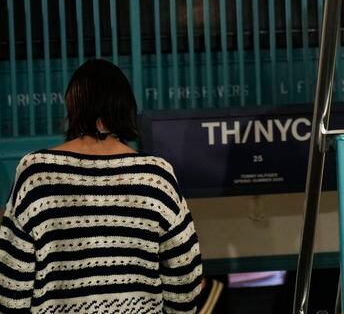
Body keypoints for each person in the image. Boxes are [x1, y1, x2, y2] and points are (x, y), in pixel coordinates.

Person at [0, 59, 203, 313]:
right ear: (125, 108)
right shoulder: (156, 176)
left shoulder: (36, 174)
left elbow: (11, 278)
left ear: (72, 107)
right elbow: (185, 272)